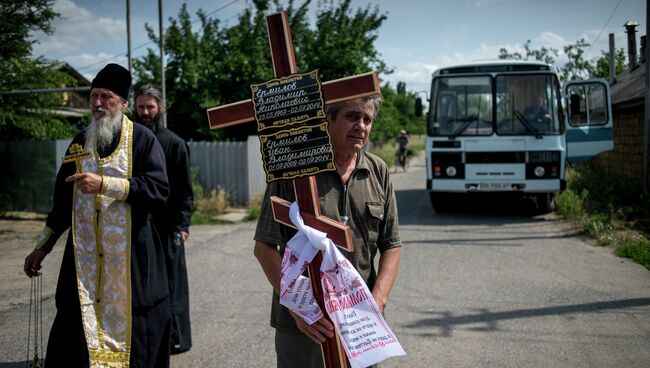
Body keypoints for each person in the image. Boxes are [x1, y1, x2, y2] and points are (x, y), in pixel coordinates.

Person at [23, 63, 172, 368]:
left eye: (107, 97)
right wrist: (42, 246)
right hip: (84, 262)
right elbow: (62, 203)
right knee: (75, 331)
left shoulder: (144, 141)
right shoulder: (79, 142)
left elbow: (159, 191)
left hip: (130, 260)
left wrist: (105, 184)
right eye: (94, 96)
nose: (99, 103)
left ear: (124, 104)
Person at [253, 96, 402, 368]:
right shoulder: (293, 171)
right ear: (328, 119)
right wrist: (301, 310)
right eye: (352, 116)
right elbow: (264, 247)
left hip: (359, 323)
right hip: (305, 326)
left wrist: (378, 300)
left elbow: (391, 244)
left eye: (367, 120)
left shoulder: (377, 170)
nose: (361, 126)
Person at [135, 85, 194, 354]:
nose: (145, 112)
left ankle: (177, 339)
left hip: (168, 227)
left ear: (160, 108)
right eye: (141, 107)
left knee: (173, 285)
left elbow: (184, 191)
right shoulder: (130, 143)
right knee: (143, 286)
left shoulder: (174, 143)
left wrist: (182, 227)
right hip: (138, 228)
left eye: (150, 107)